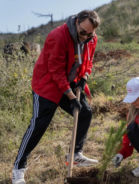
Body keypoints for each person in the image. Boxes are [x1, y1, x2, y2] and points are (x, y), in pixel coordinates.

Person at [12, 10, 100, 184]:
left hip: (70, 80)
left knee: (85, 113)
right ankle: (18, 168)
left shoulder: (91, 38)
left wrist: (83, 79)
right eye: (83, 32)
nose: (86, 37)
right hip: (47, 85)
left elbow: (88, 62)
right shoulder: (58, 36)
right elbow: (55, 71)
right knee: (39, 125)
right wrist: (71, 97)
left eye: (90, 34)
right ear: (77, 22)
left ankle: (75, 154)